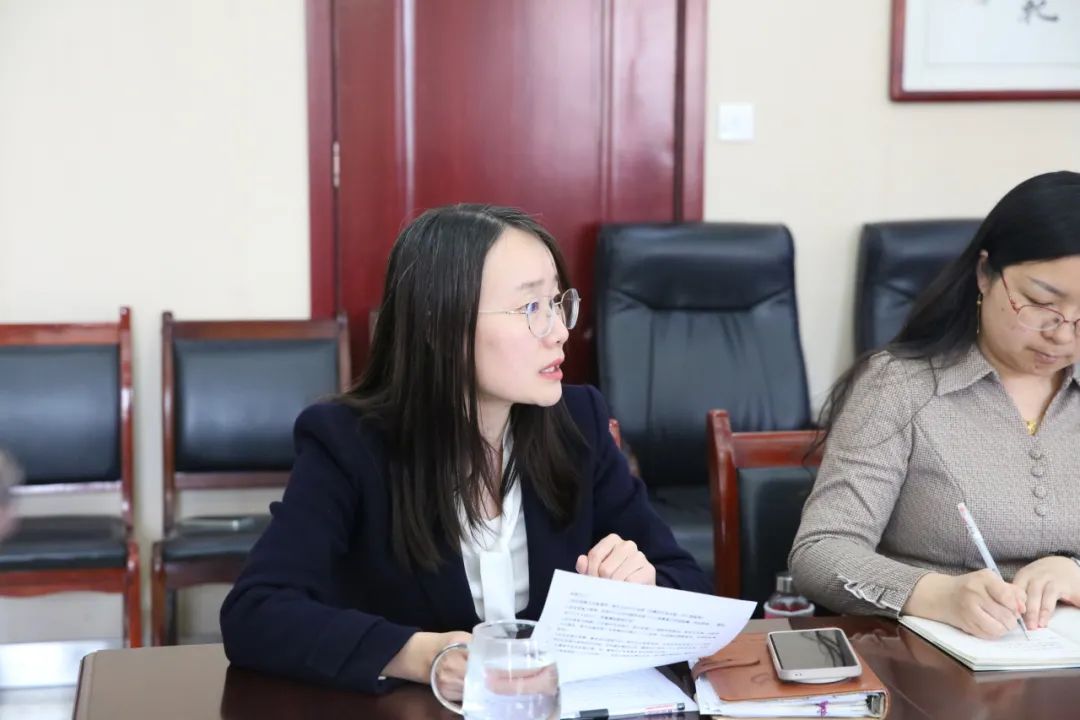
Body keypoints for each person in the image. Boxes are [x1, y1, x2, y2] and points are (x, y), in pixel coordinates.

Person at [220, 204, 709, 695]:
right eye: (531, 308)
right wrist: (422, 656)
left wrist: (644, 587)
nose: (560, 331)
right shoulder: (348, 442)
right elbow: (255, 612)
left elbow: (688, 581)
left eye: (558, 302)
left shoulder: (578, 422)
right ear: (441, 327)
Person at [790, 171, 1080, 641]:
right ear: (985, 273)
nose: (1063, 334)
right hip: (926, 656)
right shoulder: (900, 386)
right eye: (1040, 302)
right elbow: (820, 552)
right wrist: (934, 594)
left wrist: (1073, 570)